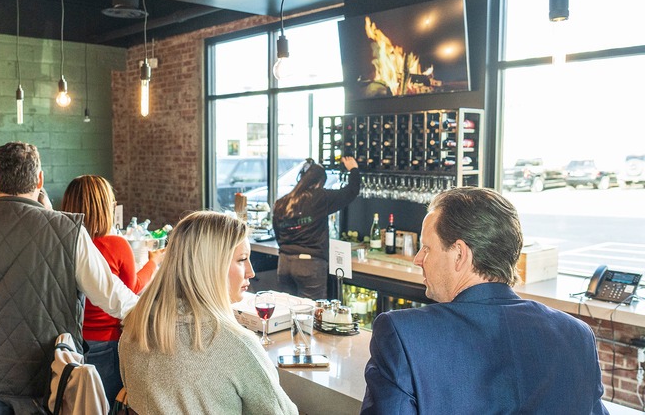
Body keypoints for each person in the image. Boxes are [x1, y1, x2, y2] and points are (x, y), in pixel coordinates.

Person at [0, 142, 140, 414]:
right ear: (39, 179)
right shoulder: (68, 230)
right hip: (43, 375)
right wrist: (156, 317)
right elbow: (112, 296)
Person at [360, 187, 608, 414]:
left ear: (459, 254)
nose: (418, 259)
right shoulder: (578, 335)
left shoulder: (403, 334)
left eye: (426, 248)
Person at [119, 211, 298, 414]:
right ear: (211, 266)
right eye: (242, 260)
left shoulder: (135, 327)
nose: (251, 272)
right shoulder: (236, 346)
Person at [61, 175, 164, 404]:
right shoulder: (116, 245)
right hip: (107, 343)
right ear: (105, 207)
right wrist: (154, 262)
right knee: (106, 404)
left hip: (71, 341)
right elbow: (133, 289)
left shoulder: (62, 244)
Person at [272, 157, 361, 299]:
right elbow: (350, 192)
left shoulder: (282, 202)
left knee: (286, 312)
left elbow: (277, 233)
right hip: (310, 265)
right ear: (319, 182)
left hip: (284, 263)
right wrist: (353, 169)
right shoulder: (320, 197)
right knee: (312, 314)